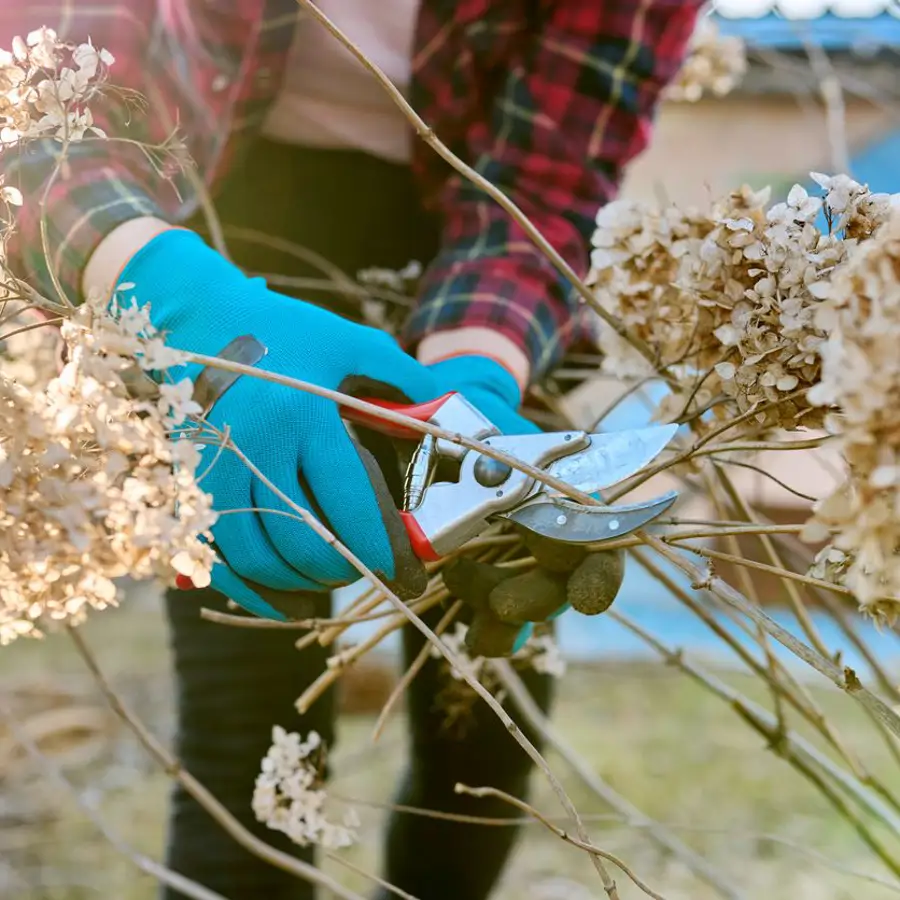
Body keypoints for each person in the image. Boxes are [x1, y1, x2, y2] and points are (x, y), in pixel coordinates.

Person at [1, 2, 702, 898]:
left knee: (481, 733)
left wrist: (475, 397)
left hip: (474, 278)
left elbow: (547, 182)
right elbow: (28, 104)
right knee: (245, 740)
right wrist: (185, 307)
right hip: (218, 236)